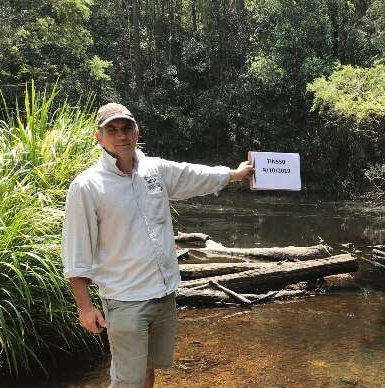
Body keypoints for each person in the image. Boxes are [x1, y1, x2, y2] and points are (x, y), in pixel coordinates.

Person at [61, 103, 253, 388]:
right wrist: (85, 308)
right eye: (111, 130)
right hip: (125, 300)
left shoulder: (155, 170)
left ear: (136, 132)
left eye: (126, 128)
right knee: (127, 381)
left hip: (164, 294)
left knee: (149, 370)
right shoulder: (87, 186)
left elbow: (194, 175)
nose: (120, 135)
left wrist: (235, 174)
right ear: (98, 137)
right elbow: (76, 251)